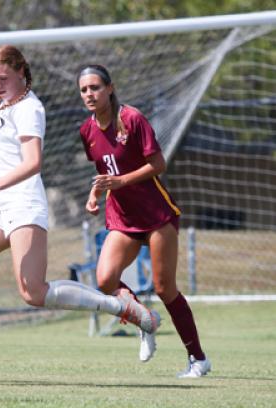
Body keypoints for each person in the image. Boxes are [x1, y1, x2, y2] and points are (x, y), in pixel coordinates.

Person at [0, 45, 161, 378]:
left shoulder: (29, 108)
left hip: (23, 204)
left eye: (2, 77)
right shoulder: (3, 106)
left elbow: (33, 163)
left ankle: (122, 307)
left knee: (33, 292)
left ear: (21, 72)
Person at [77, 64, 211, 378]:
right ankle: (144, 321)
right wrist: (94, 195)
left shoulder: (132, 119)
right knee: (105, 280)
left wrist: (122, 182)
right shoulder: (87, 130)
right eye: (84, 90)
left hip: (155, 214)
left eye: (95, 87)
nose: (89, 94)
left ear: (110, 88)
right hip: (122, 217)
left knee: (166, 288)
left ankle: (198, 358)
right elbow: (104, 171)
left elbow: (158, 164)